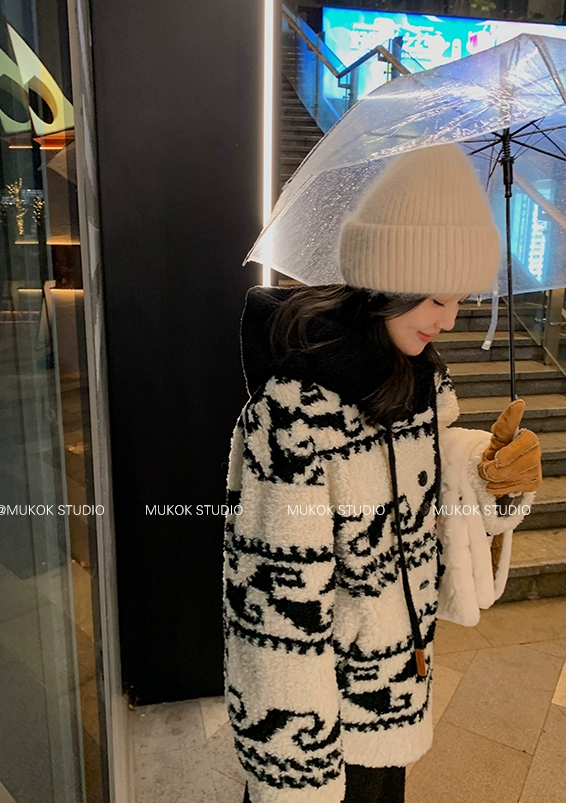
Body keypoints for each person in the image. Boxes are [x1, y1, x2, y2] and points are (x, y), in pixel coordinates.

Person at [222, 145, 543, 803]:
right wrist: (299, 777)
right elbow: (276, 615)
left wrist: (488, 472)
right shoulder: (295, 415)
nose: (449, 319)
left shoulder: (418, 384)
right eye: (437, 298)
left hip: (397, 693)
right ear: (386, 280)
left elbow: (428, 478)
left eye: (461, 300)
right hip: (323, 729)